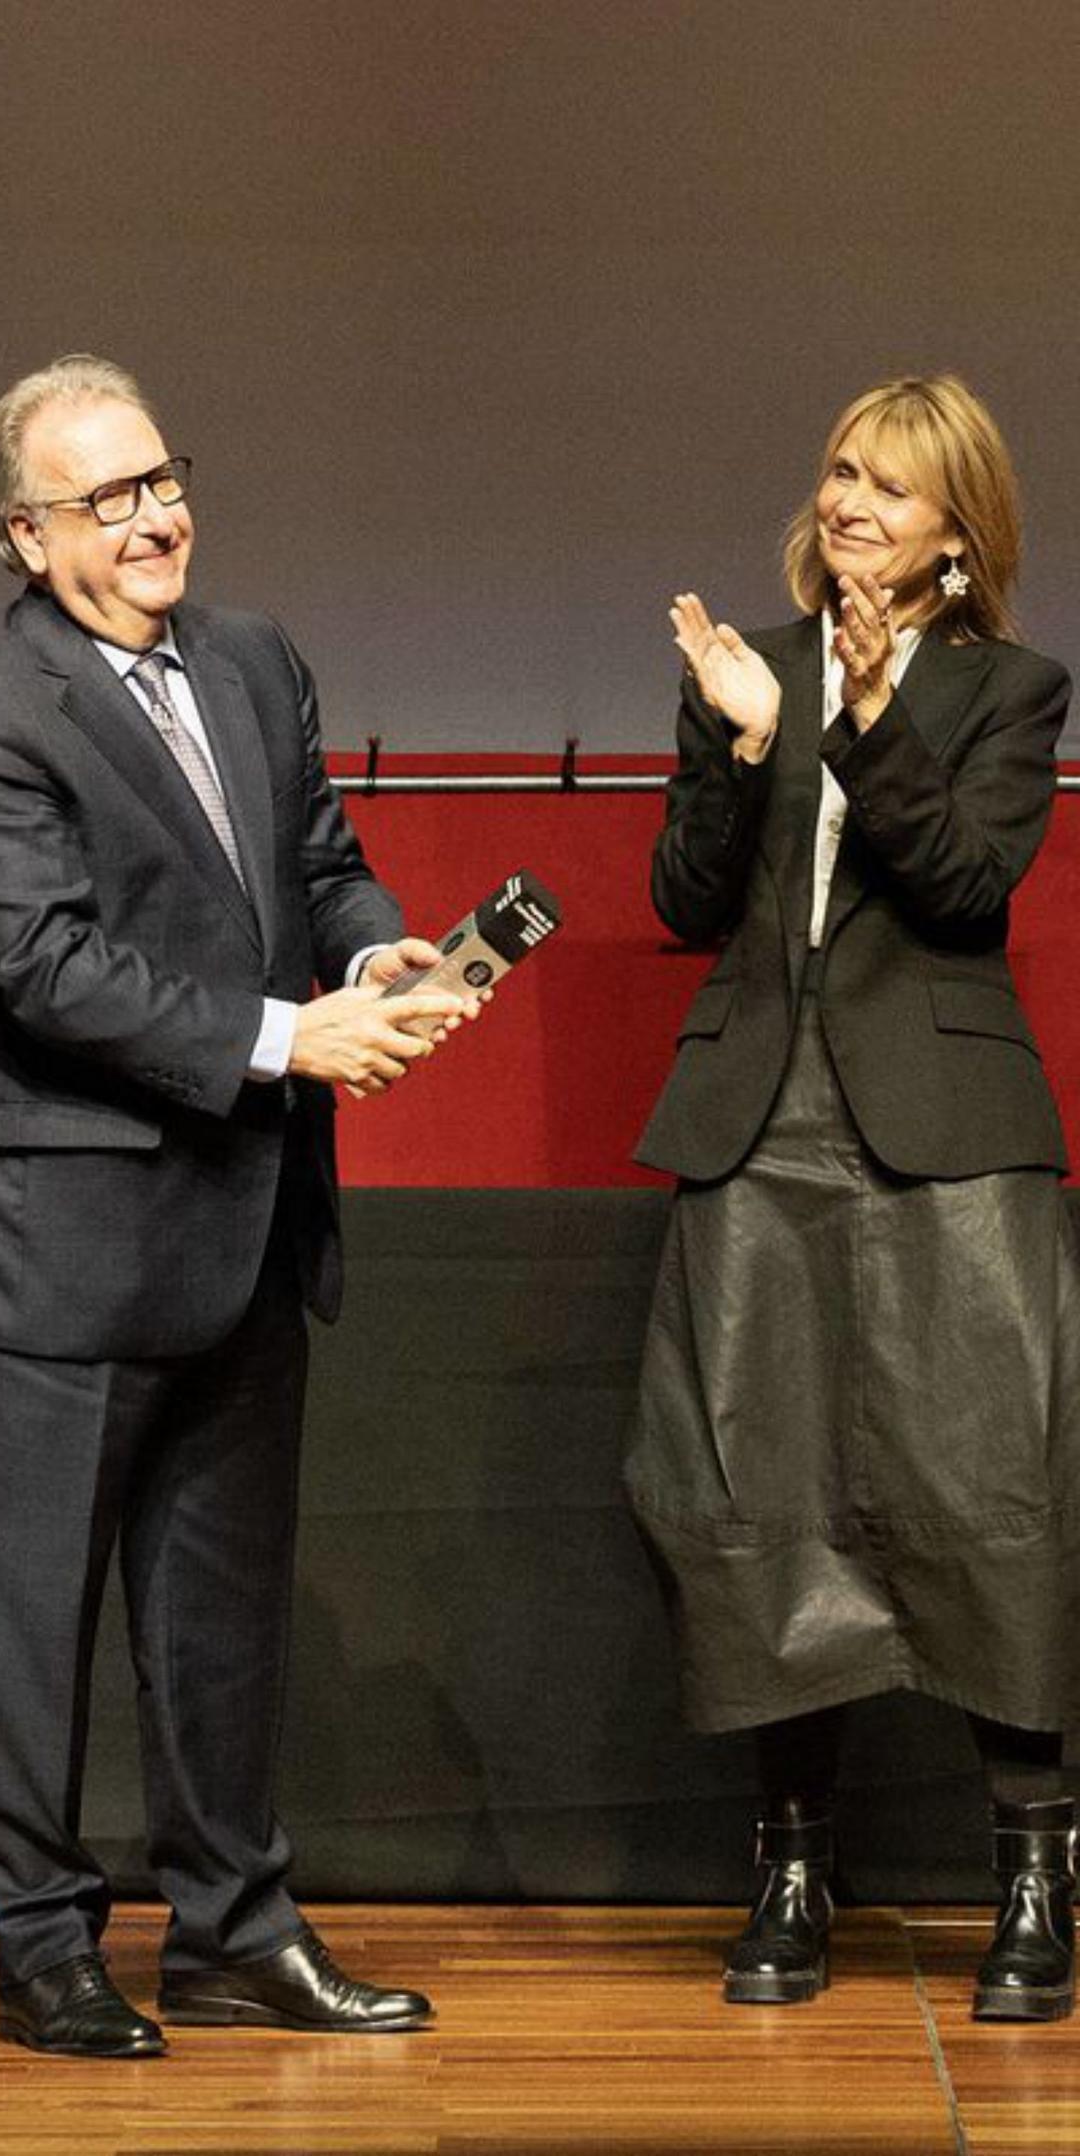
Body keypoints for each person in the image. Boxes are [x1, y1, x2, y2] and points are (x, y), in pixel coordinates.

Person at [0, 354, 480, 2058]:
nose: (154, 518)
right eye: (105, 498)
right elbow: (34, 964)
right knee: (33, 1629)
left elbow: (315, 862)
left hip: (239, 1222)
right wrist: (298, 1035)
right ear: (21, 533)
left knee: (220, 1621)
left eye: (161, 478)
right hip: (46, 1248)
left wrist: (377, 947)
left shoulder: (253, 657)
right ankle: (44, 1951)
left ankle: (232, 1927)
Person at [626, 375, 1080, 2023]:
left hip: (947, 1137)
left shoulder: (1010, 689)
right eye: (838, 470)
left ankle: (1034, 1874)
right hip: (760, 1126)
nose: (852, 504)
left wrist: (871, 725)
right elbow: (685, 901)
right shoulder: (754, 665)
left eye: (892, 487)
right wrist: (750, 737)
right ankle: (793, 1870)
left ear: (959, 529)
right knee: (768, 1506)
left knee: (986, 1502)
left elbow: (963, 886)